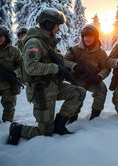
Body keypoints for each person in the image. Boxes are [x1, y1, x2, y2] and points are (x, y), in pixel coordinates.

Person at [6, 8, 86, 145]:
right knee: (45, 132)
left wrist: (68, 67)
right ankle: (19, 129)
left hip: (54, 86)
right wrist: (56, 68)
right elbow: (31, 67)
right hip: (41, 90)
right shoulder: (34, 43)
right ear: (48, 25)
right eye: (57, 25)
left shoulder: (48, 41)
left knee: (78, 93)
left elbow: (56, 60)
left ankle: (59, 125)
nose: (59, 29)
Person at [64, 24, 110, 121]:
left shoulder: (101, 53)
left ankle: (95, 116)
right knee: (78, 94)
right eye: (85, 36)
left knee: (102, 89)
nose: (87, 39)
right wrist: (74, 66)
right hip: (78, 79)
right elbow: (64, 61)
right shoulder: (76, 49)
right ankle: (73, 116)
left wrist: (99, 76)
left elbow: (106, 67)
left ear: (95, 38)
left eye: (90, 36)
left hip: (93, 78)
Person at [0, 25, 22, 122]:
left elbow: (22, 66)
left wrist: (14, 73)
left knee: (9, 107)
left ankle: (7, 128)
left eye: (1, 36)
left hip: (8, 85)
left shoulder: (14, 51)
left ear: (6, 37)